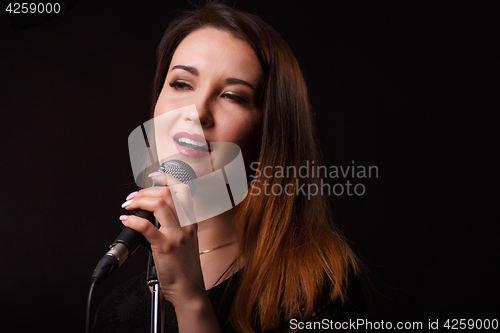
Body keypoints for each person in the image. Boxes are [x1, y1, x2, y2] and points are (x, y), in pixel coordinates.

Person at [93, 1, 366, 332]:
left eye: (233, 96)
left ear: (268, 132)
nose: (197, 112)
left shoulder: (318, 286)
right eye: (181, 84)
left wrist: (190, 300)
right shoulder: (117, 311)